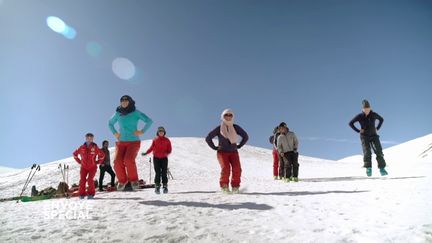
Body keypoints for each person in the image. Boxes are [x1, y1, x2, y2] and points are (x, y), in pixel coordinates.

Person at [108, 95, 153, 191]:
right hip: (121, 142)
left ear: (130, 102)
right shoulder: (118, 113)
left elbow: (149, 121)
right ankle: (122, 181)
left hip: (133, 142)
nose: (124, 102)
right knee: (117, 162)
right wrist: (115, 133)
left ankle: (134, 180)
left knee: (128, 160)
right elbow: (110, 123)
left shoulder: (135, 112)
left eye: (126, 100)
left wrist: (142, 131)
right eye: (122, 100)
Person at [205, 109, 249, 194]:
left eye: (230, 115)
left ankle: (235, 187)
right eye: (226, 115)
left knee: (237, 169)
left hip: (234, 152)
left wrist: (239, 145)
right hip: (222, 152)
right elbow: (208, 138)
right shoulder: (219, 128)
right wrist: (214, 147)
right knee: (225, 168)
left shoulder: (235, 127)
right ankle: (224, 186)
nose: (228, 117)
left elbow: (245, 136)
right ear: (223, 116)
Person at [349, 99, 388, 177]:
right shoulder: (359, 116)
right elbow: (351, 123)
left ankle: (382, 168)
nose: (367, 110)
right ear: (363, 109)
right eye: (365, 109)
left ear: (370, 108)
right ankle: (368, 168)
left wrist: (377, 128)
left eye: (368, 108)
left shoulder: (373, 114)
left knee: (379, 151)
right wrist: (358, 130)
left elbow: (381, 119)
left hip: (374, 136)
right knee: (367, 152)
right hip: (364, 136)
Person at [73, 133, 105, 199]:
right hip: (83, 167)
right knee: (82, 180)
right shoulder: (82, 147)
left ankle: (91, 194)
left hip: (92, 167)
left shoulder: (95, 147)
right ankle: (82, 194)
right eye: (88, 138)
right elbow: (74, 154)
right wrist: (79, 161)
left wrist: (97, 162)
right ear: (86, 138)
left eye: (91, 138)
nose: (89, 139)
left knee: (90, 180)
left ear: (93, 139)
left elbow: (102, 155)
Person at [142, 126, 172, 194]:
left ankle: (165, 186)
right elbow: (151, 148)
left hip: (164, 158)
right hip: (156, 158)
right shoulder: (155, 140)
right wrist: (146, 152)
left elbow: (169, 149)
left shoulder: (167, 140)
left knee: (164, 172)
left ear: (164, 132)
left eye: (162, 131)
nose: (161, 133)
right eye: (160, 131)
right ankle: (157, 186)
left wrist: (166, 153)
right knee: (157, 172)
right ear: (158, 133)